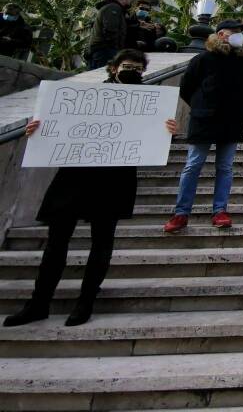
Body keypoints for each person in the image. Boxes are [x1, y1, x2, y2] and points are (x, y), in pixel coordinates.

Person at [4, 49, 177, 328]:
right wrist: (36, 129)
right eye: (126, 66)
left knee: (102, 242)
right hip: (76, 175)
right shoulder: (86, 98)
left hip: (114, 178)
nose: (131, 70)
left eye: (136, 67)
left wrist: (168, 130)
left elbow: (153, 142)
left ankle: (85, 301)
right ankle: (39, 302)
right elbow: (56, 126)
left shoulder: (152, 103)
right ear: (113, 69)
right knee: (57, 242)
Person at [163, 20, 243, 233]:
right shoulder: (203, 59)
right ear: (221, 34)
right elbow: (187, 87)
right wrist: (200, 105)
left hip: (232, 120)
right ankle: (181, 212)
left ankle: (220, 210)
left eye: (240, 33)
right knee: (193, 165)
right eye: (234, 32)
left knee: (225, 168)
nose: (238, 36)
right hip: (205, 118)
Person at [87, 0, 132, 70]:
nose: (130, 3)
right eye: (130, 0)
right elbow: (110, 28)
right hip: (105, 49)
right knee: (101, 76)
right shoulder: (113, 8)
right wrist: (115, 47)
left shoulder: (113, 7)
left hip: (105, 49)